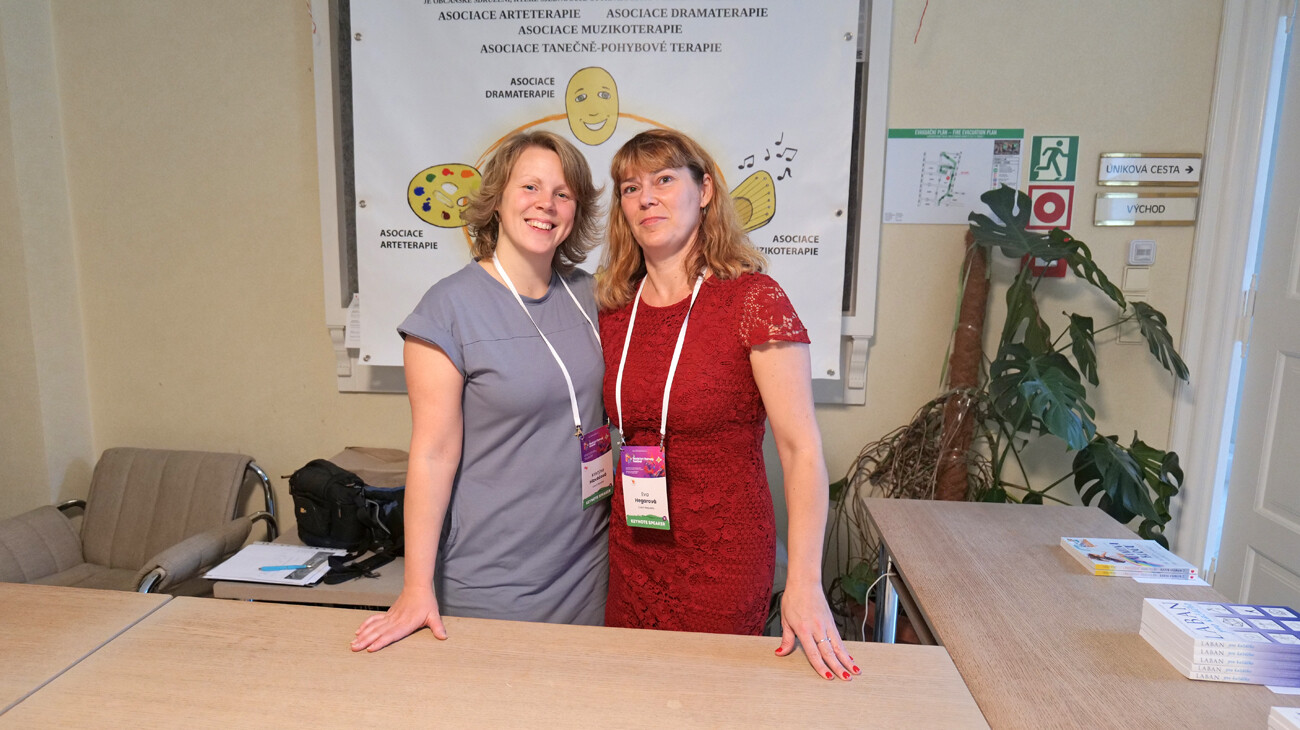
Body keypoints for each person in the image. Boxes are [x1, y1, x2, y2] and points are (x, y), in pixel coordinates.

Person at [595, 128, 858, 681]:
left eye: (664, 180)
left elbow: (801, 450)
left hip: (722, 556)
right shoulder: (615, 309)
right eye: (630, 187)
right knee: (631, 697)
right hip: (634, 548)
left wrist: (805, 583)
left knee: (713, 700)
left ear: (706, 190)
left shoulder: (752, 300)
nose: (646, 198)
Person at [352, 131, 609, 652]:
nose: (546, 203)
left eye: (562, 193)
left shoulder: (591, 295)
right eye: (530, 186)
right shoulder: (448, 309)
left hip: (590, 572)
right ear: (496, 199)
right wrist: (415, 587)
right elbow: (432, 455)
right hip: (495, 579)